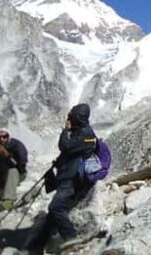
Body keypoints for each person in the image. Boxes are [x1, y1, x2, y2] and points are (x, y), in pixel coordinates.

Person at [24, 104, 97, 253]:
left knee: (55, 208)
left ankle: (72, 238)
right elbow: (70, 153)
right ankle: (36, 246)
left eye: (71, 117)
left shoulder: (87, 134)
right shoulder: (80, 133)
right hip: (67, 177)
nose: (68, 119)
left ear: (77, 118)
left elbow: (65, 146)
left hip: (73, 180)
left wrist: (65, 130)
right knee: (51, 216)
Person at [0, 127, 27, 210]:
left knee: (12, 170)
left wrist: (7, 155)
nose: (1, 139)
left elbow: (20, 165)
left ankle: (9, 200)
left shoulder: (17, 146)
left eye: (4, 136)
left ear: (8, 137)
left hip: (17, 174)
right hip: (2, 176)